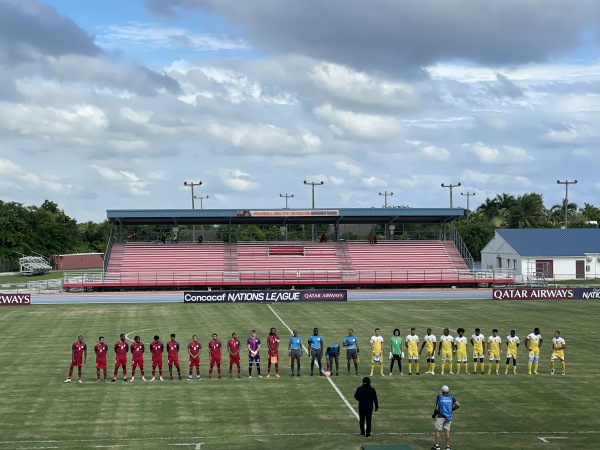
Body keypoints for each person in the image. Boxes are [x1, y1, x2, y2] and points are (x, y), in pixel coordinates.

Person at [432, 385, 460, 450]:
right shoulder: (451, 397)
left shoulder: (439, 397)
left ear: (442, 391)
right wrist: (452, 409)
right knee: (447, 430)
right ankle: (447, 447)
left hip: (441, 416)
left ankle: (437, 446)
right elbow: (458, 405)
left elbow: (436, 406)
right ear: (448, 391)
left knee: (437, 430)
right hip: (449, 416)